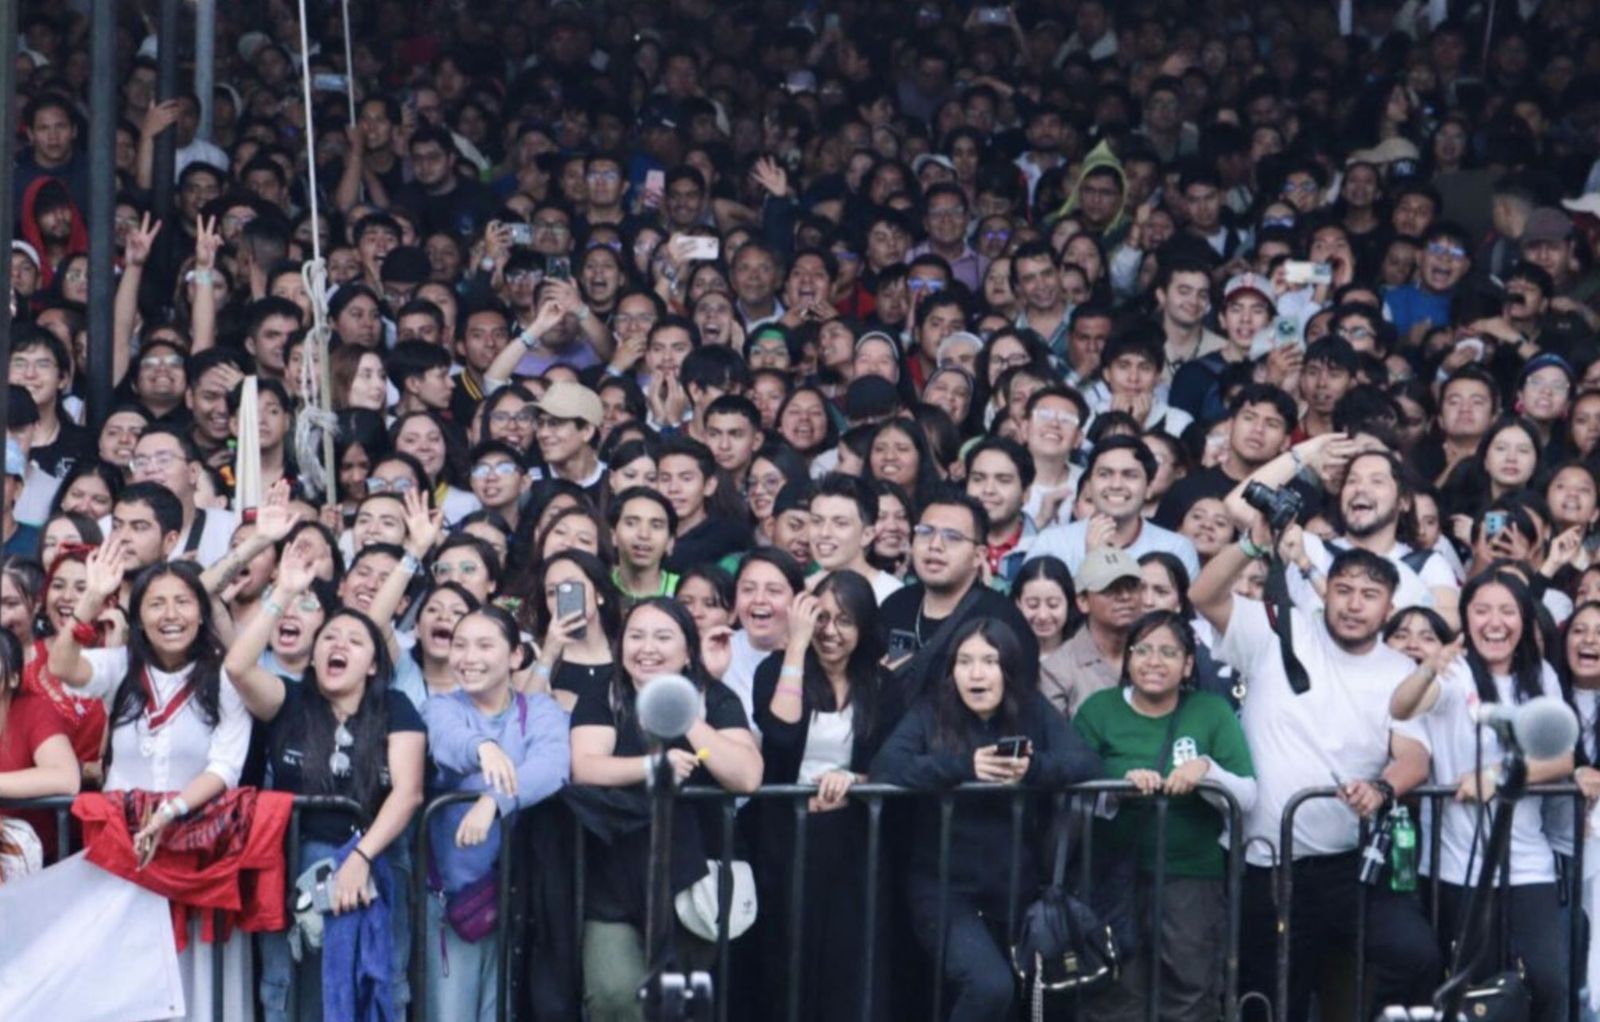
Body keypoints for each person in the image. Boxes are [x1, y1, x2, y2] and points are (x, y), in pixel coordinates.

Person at [1190, 506, 1440, 1022]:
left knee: (1415, 954)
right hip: (1266, 863)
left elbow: (1414, 755)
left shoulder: (1401, 670)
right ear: (1326, 592)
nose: (1354, 604)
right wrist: (1252, 544)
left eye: (1369, 594)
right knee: (1270, 998)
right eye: (1343, 589)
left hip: (1350, 865)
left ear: (1390, 607)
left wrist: (1381, 789)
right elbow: (1203, 596)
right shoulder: (1279, 631)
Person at [47, 546, 255, 1019]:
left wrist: (169, 812)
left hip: (197, 848)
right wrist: (91, 598)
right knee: (126, 975)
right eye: (156, 603)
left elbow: (225, 767)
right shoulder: (119, 667)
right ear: (138, 617)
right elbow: (62, 667)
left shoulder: (225, 679)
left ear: (202, 613)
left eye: (182, 601)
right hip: (127, 852)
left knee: (197, 973)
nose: (170, 615)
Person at [221, 552, 426, 1021]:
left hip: (376, 861)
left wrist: (359, 860)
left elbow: (409, 792)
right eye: (330, 637)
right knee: (289, 989)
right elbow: (237, 667)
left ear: (372, 665)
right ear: (313, 656)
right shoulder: (288, 699)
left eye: (356, 641)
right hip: (293, 864)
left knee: (379, 986)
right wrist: (283, 592)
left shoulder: (395, 706)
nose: (340, 645)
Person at [871, 617, 1101, 1022]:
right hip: (943, 888)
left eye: (989, 661)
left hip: (1015, 887)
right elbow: (886, 767)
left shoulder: (1031, 708)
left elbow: (1086, 763)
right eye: (965, 662)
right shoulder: (931, 710)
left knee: (1013, 1001)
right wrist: (963, 768)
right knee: (990, 985)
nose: (976, 673)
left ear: (1008, 669)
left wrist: (1032, 769)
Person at [1389, 570, 1573, 1022]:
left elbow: (1563, 757)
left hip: (1528, 863)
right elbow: (1402, 707)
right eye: (1482, 610)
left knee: (1549, 981)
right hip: (1458, 866)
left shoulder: (1541, 675)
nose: (1495, 622)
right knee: (1472, 993)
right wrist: (1428, 667)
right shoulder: (1453, 672)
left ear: (1525, 620)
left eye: (1507, 611)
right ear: (1466, 618)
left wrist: (1496, 775)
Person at [569, 598, 762, 1022]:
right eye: (636, 636)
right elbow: (585, 766)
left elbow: (747, 776)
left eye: (662, 637)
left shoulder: (715, 698)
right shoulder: (604, 694)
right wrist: (652, 767)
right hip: (616, 873)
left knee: (680, 1004)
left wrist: (682, 712)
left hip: (692, 875)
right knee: (614, 994)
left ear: (688, 651)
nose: (647, 648)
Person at [1074, 610, 1256, 1022]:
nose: (1154, 661)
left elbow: (1247, 794)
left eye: (1168, 652)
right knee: (1116, 992)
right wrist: (1117, 787)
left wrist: (1206, 771)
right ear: (1128, 659)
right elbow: (1071, 793)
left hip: (1192, 875)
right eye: (1143, 651)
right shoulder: (1098, 710)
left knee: (1189, 991)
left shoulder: (1211, 711)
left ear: (1188, 664)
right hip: (1113, 875)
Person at [750, 573, 892, 1022]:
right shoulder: (775, 669)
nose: (830, 631)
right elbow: (781, 733)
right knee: (783, 959)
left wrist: (857, 779)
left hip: (850, 838)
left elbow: (895, 757)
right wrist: (795, 646)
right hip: (783, 837)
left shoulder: (881, 683)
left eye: (845, 620)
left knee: (842, 964)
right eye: (821, 618)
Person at [421, 606, 571, 1020]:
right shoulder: (440, 708)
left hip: (519, 894)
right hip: (453, 899)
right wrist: (482, 748)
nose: (469, 657)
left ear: (516, 656)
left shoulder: (538, 710)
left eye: (485, 645)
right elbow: (448, 741)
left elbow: (553, 766)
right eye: (460, 645)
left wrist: (493, 801)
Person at [878, 491, 1040, 711]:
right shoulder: (896, 605)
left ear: (978, 556)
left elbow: (1018, 709)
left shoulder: (1003, 621)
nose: (935, 545)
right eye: (925, 532)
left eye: (952, 537)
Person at [1028, 436, 1201, 579]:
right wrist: (1092, 563)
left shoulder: (1175, 548)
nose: (1116, 484)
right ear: (1090, 485)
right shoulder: (1053, 544)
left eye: (1130, 475)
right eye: (1104, 474)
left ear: (1148, 488)